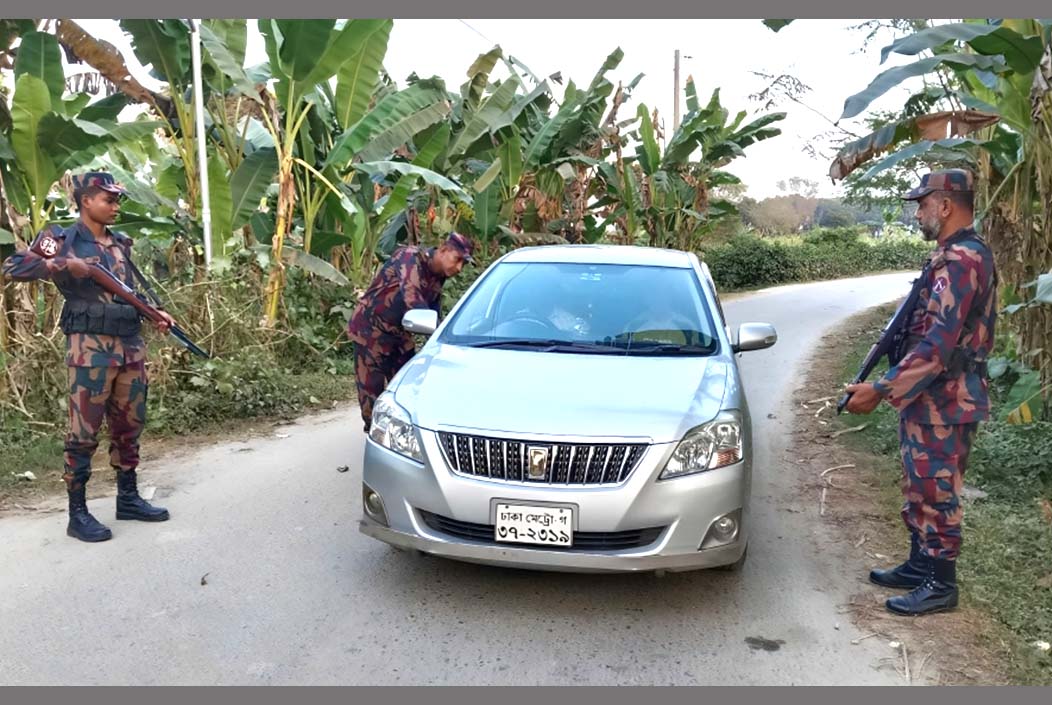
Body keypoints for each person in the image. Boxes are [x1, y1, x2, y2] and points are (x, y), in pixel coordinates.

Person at [844, 168, 997, 616]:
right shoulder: (947, 255)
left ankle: (940, 584)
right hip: (928, 398)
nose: (917, 214)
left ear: (946, 204)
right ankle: (918, 564)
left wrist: (880, 389)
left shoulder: (963, 260)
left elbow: (936, 346)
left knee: (938, 491)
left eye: (922, 204)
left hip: (948, 400)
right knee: (919, 485)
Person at [1, 172, 176, 542]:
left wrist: (157, 311)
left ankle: (127, 497)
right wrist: (62, 265)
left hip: (129, 343)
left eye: (117, 201)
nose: (115, 207)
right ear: (85, 201)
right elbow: (14, 267)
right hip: (90, 350)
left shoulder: (119, 242)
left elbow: (130, 290)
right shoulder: (60, 239)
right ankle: (77, 513)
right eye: (108, 200)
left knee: (130, 425)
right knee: (84, 432)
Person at [347, 232, 474, 432]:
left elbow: (433, 314)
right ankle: (378, 449)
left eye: (463, 264)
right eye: (457, 259)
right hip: (370, 333)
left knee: (410, 393)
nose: (459, 268)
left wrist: (447, 342)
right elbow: (412, 299)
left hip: (399, 336)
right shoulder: (410, 258)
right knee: (372, 404)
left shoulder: (438, 276)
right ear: (443, 250)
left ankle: (406, 444)